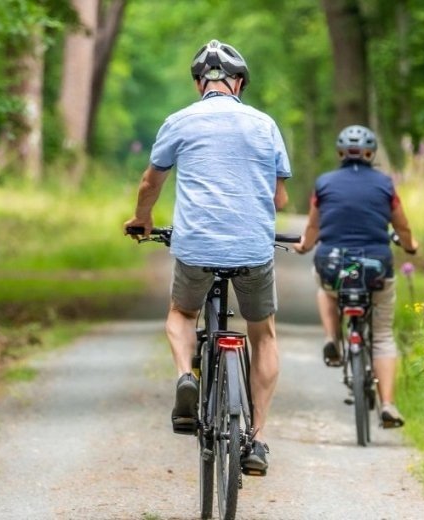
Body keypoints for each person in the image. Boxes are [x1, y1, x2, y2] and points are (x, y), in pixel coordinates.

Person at [123, 39, 291, 473]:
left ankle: (186, 376)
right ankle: (257, 440)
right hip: (253, 248)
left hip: (196, 246)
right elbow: (281, 196)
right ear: (239, 83)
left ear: (200, 83)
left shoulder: (179, 121)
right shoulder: (264, 124)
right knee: (264, 333)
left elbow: (149, 183)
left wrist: (143, 219)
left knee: (182, 312)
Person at [293, 125, 417, 428]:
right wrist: (411, 246)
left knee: (324, 286)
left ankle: (332, 337)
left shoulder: (324, 183)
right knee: (384, 336)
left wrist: (305, 246)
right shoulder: (386, 185)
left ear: (340, 153)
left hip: (334, 265)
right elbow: (402, 228)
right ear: (371, 153)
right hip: (376, 267)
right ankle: (388, 404)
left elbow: (313, 228)